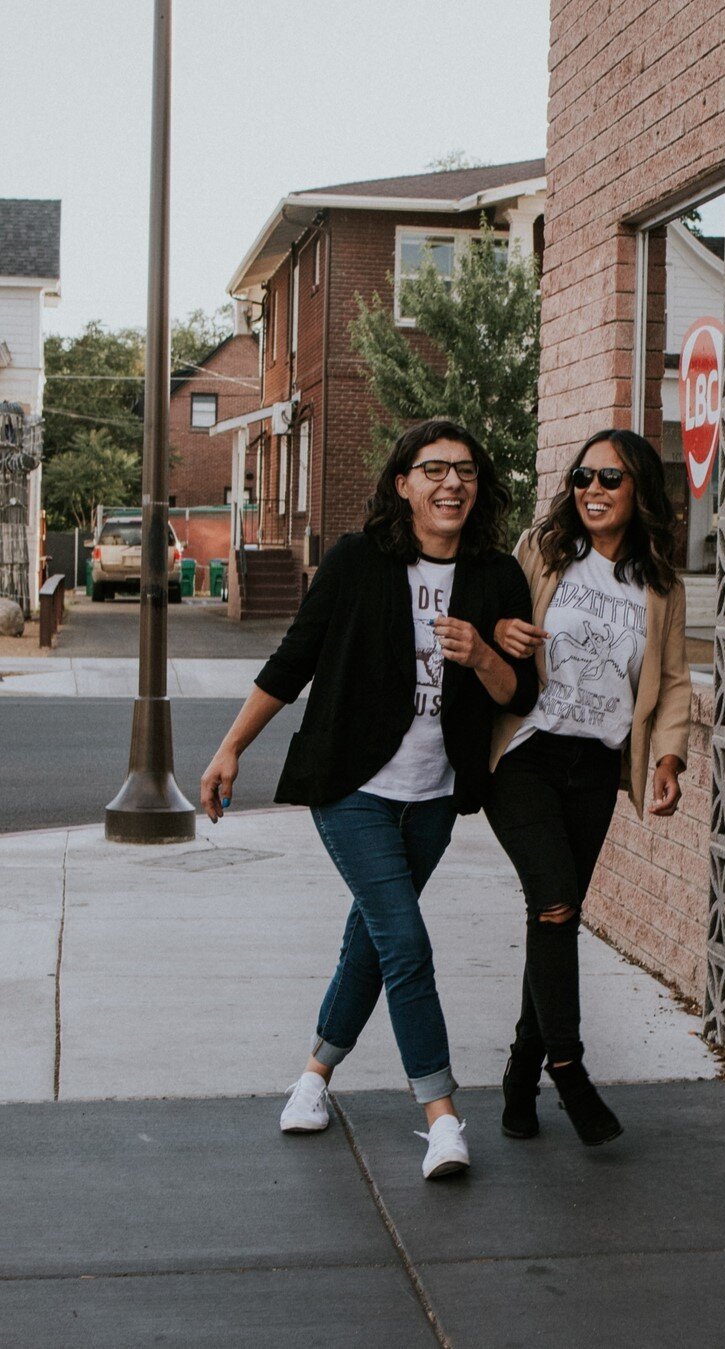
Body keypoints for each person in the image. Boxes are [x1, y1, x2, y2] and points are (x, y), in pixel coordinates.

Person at [199, 419, 537, 1180]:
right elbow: (294, 660)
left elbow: (520, 692)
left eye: (467, 470)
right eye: (435, 469)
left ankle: (314, 1074)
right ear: (403, 483)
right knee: (407, 944)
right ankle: (442, 1116)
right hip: (352, 786)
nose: (453, 482)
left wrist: (481, 651)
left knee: (375, 940)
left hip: (435, 795)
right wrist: (230, 748)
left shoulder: (494, 578)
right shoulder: (358, 562)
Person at [485, 428, 691, 1146]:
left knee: (556, 915)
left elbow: (669, 683)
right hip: (527, 756)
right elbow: (495, 621)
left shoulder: (660, 584)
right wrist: (504, 633)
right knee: (554, 901)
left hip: (597, 767)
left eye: (609, 479)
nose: (593, 491)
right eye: (583, 477)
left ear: (637, 490)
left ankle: (520, 1071)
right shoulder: (543, 554)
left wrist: (667, 760)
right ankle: (567, 1069)